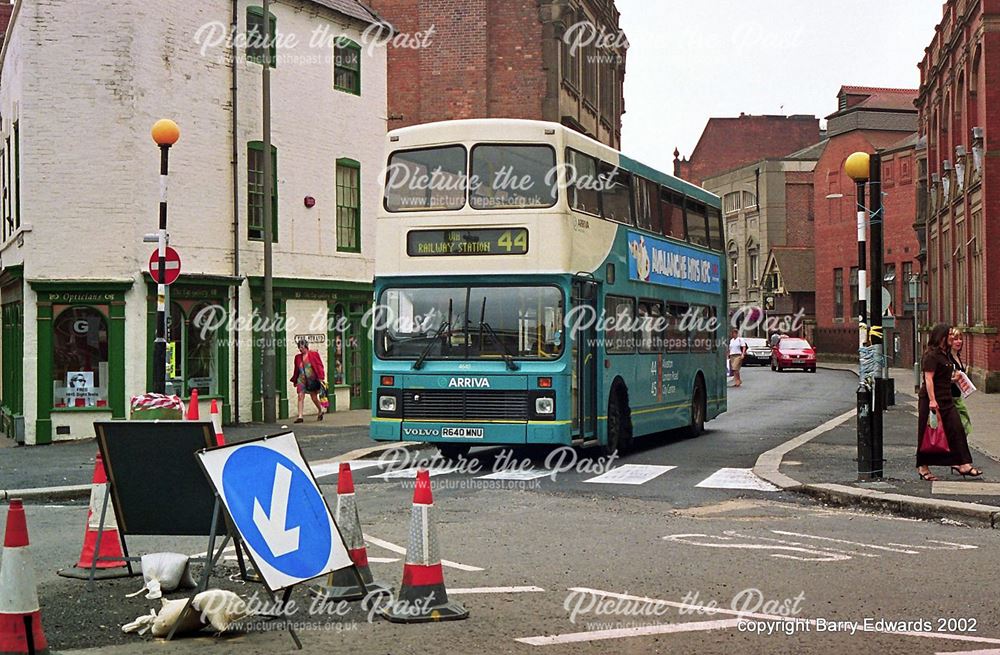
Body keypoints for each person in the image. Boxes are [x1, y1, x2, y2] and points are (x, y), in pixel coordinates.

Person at [916, 323, 981, 481]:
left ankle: (962, 463)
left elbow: (941, 377)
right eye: (950, 334)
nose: (953, 337)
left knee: (956, 429)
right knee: (927, 434)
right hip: (932, 400)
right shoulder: (931, 355)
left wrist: (954, 378)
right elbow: (929, 378)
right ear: (942, 337)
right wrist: (932, 400)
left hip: (946, 398)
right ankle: (923, 466)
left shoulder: (944, 355)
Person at [291, 338, 326, 423]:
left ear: (306, 346)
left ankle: (320, 410)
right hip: (301, 379)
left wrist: (321, 377)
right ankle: (300, 416)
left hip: (312, 379)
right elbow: (296, 370)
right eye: (299, 347)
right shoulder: (297, 357)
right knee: (300, 396)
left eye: (302, 347)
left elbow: (319, 366)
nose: (300, 349)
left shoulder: (314, 354)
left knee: (314, 397)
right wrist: (295, 380)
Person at [948, 328, 973, 439]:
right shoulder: (947, 358)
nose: (959, 342)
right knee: (959, 428)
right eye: (955, 339)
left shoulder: (957, 356)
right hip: (950, 398)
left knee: (965, 426)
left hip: (958, 397)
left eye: (960, 339)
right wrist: (953, 379)